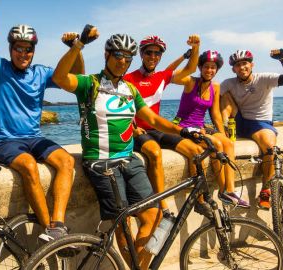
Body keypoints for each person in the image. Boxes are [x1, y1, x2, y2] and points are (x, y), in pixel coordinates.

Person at [52, 25, 201, 270]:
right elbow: (60, 78)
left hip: (129, 159)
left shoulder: (129, 89)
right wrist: (78, 45)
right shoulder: (90, 84)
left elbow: (152, 120)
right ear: (106, 55)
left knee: (153, 217)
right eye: (118, 55)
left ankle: (138, 267)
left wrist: (184, 130)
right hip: (101, 162)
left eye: (128, 57)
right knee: (122, 223)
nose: (123, 61)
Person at [0, 0, 84, 240]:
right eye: (18, 48)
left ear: (34, 50)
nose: (23, 53)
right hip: (6, 141)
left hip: (34, 138)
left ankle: (58, 224)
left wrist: (75, 48)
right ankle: (49, 230)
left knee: (66, 162)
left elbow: (76, 77)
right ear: (11, 49)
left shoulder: (41, 73)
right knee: (28, 166)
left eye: (28, 49)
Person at [124, 35, 205, 213]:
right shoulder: (128, 79)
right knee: (154, 152)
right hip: (138, 132)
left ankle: (199, 200)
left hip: (157, 129)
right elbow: (120, 110)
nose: (153, 56)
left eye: (157, 53)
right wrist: (131, 129)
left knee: (196, 151)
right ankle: (162, 204)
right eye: (149, 52)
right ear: (141, 54)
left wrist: (196, 47)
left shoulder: (162, 77)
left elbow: (191, 68)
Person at [220, 49, 283, 209]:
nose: (241, 67)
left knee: (270, 148)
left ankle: (266, 189)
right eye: (237, 65)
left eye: (244, 63)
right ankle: (224, 128)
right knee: (221, 94)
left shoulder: (264, 79)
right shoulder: (228, 83)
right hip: (238, 121)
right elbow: (210, 100)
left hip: (260, 123)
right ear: (233, 69)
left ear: (251, 65)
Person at [173, 50, 250, 207]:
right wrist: (191, 54)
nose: (209, 70)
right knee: (216, 145)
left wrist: (221, 132)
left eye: (213, 67)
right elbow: (174, 76)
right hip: (185, 127)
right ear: (200, 67)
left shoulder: (215, 86)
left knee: (227, 143)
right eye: (206, 66)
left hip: (201, 127)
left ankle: (230, 190)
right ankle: (222, 191)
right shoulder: (190, 82)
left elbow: (215, 113)